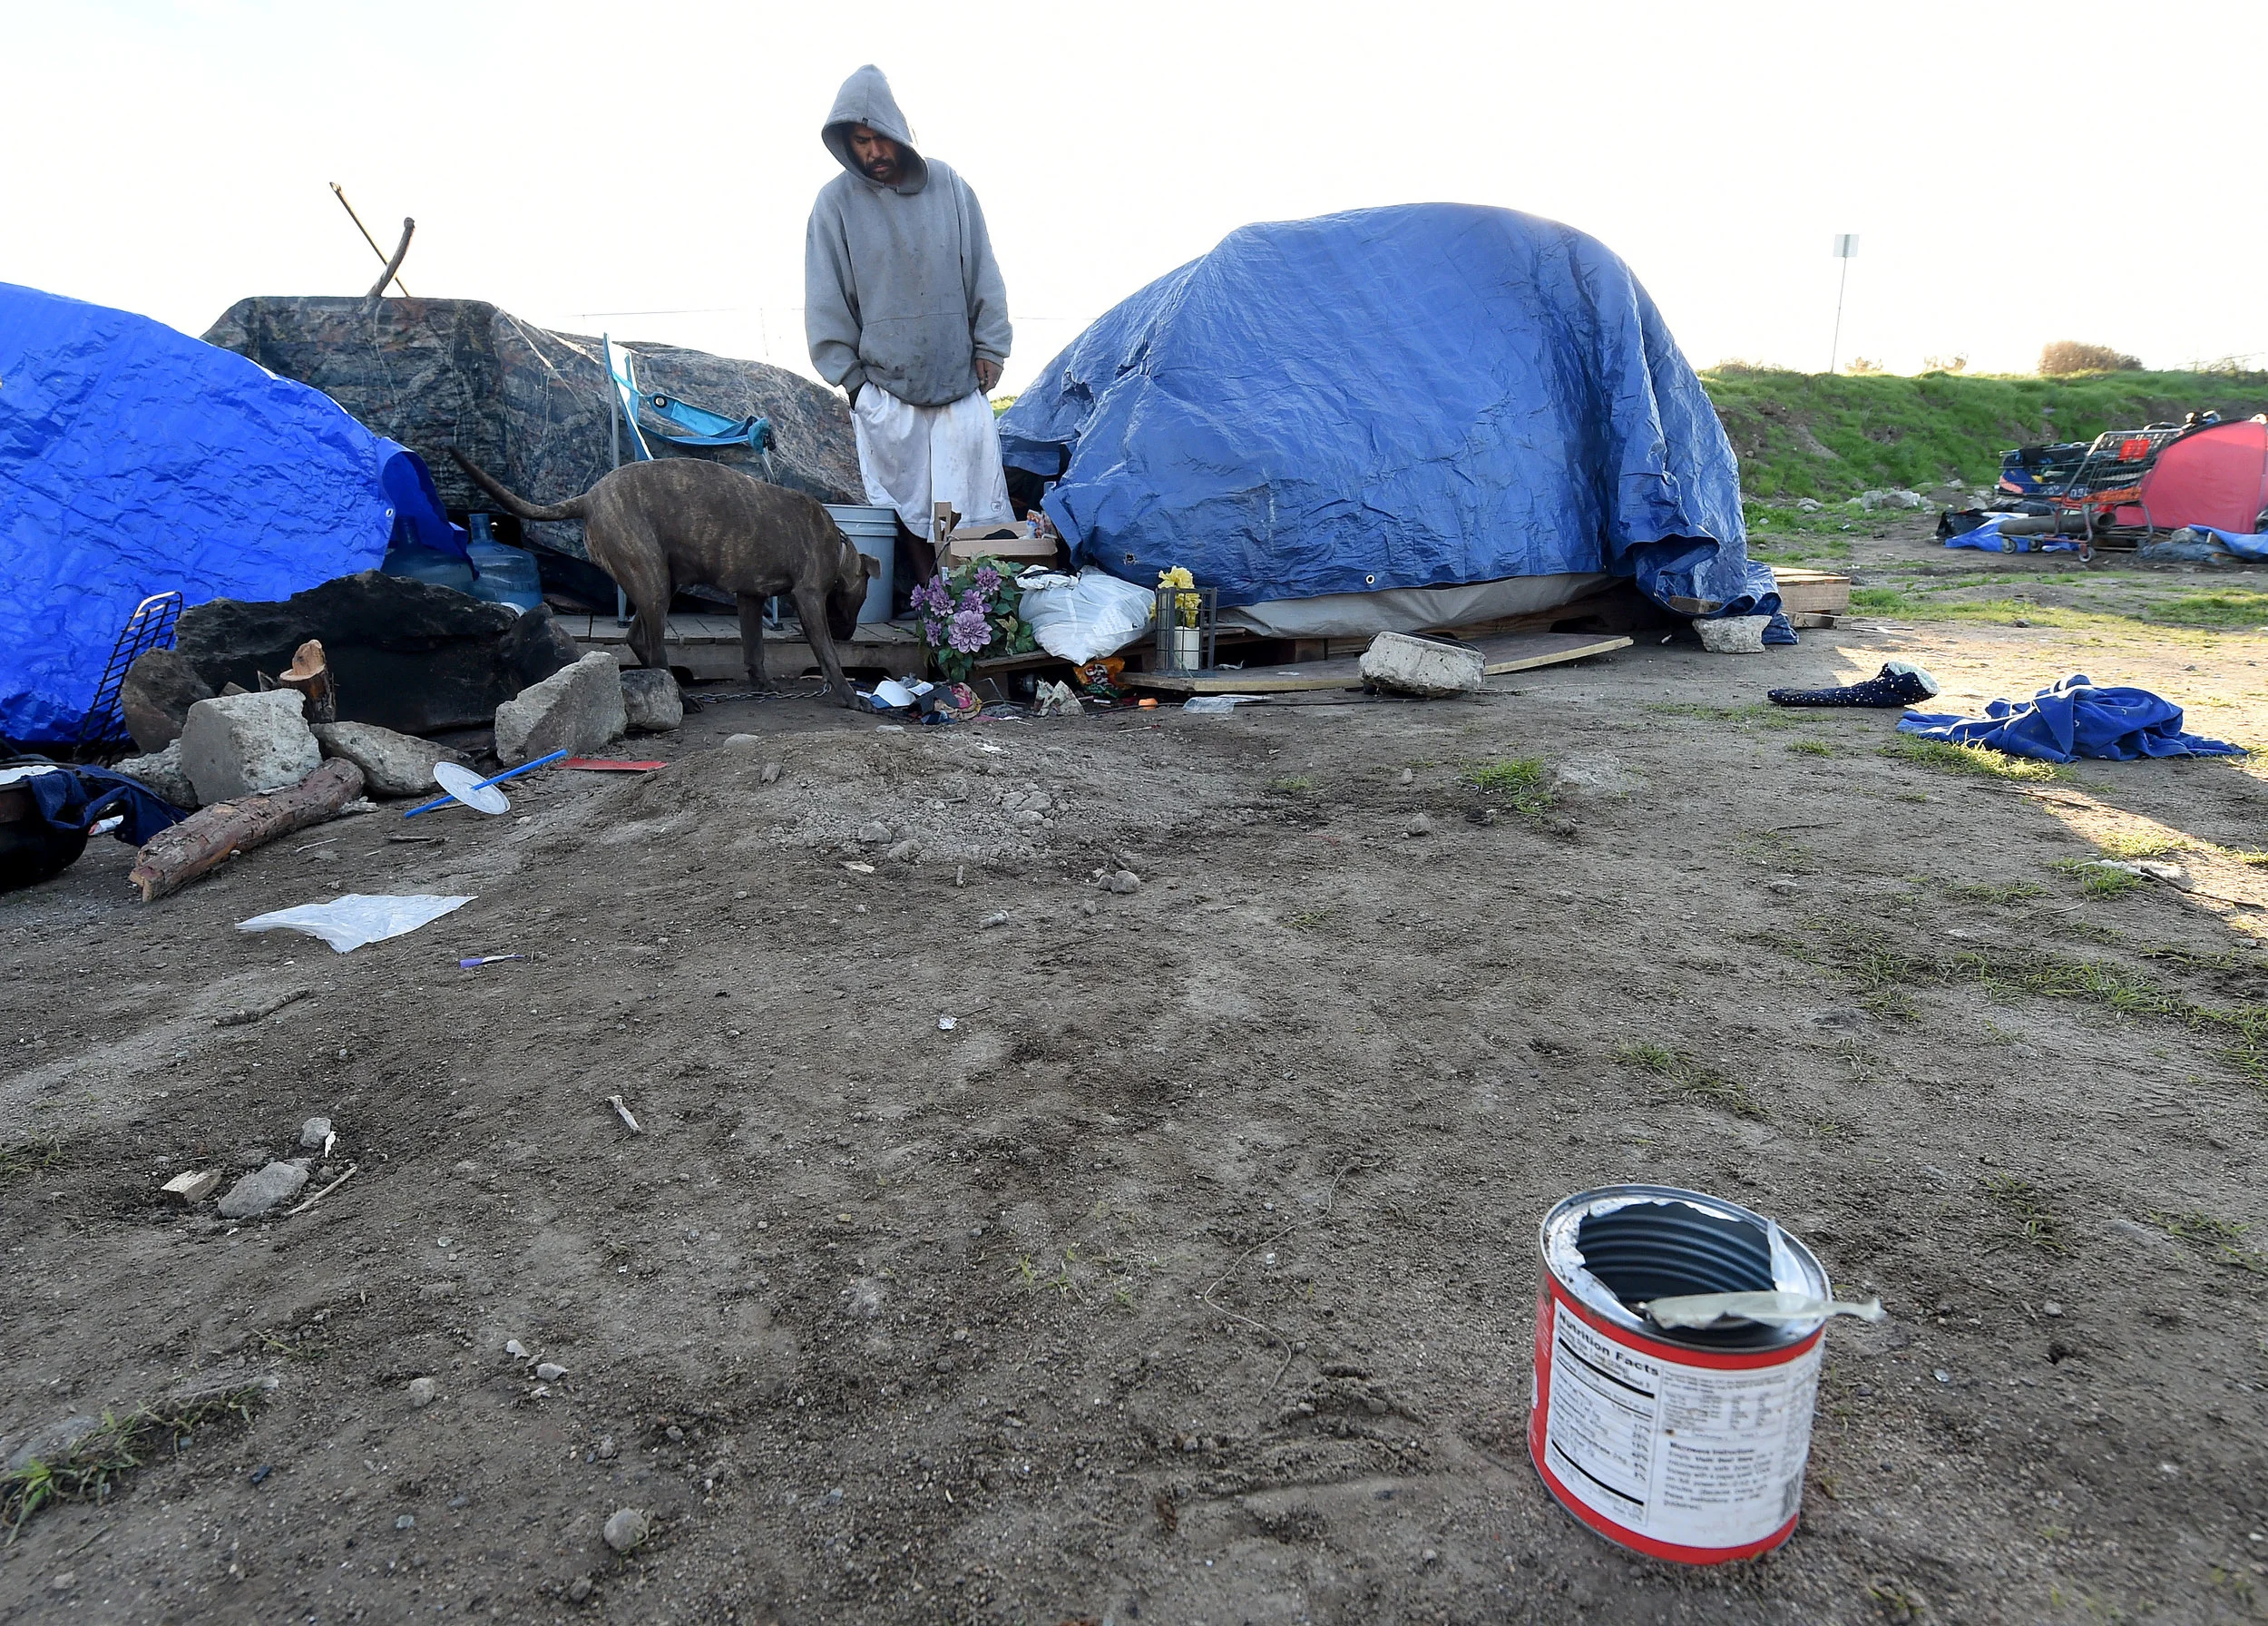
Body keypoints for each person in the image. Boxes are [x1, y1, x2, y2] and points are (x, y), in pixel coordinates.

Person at [806, 64, 1013, 578]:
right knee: (906, 501)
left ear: (899, 132)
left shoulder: (948, 186)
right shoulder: (833, 205)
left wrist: (990, 347)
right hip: (885, 385)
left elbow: (983, 268)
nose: (873, 151)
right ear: (847, 144)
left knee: (972, 502)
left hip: (958, 379)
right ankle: (934, 606)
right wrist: (852, 383)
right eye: (860, 141)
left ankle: (978, 607)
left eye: (880, 138)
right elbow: (825, 299)